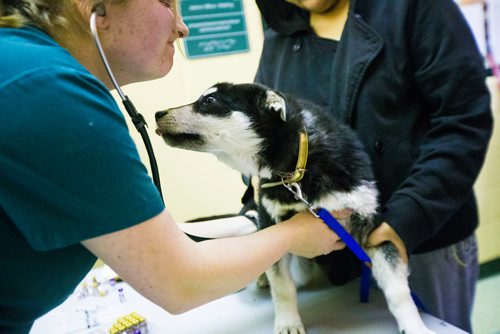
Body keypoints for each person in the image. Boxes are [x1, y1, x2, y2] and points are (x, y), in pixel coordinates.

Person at [0, 1, 349, 332]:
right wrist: (295, 233)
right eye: (167, 3)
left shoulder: (29, 68)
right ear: (97, 9)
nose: (182, 28)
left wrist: (248, 224)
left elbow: (135, 238)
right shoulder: (50, 91)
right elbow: (181, 282)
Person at [247, 0, 494, 332]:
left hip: (422, 241)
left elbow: (463, 123)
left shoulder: (416, 8)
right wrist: (258, 193)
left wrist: (408, 219)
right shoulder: (281, 28)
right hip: (327, 251)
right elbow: (268, 131)